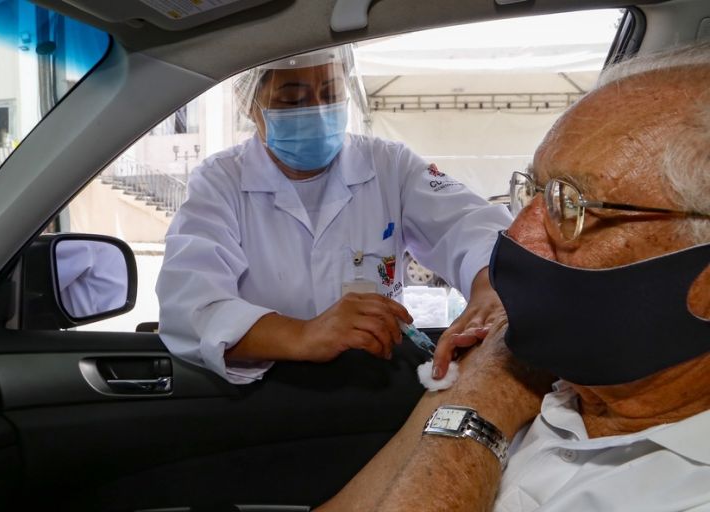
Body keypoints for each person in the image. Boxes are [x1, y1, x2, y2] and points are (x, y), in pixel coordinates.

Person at [318, 41, 710, 511]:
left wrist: (479, 409)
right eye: (533, 190)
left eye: (571, 205)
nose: (518, 236)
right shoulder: (542, 370)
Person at [156, 45, 513, 384]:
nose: (318, 111)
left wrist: (487, 291)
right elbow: (190, 306)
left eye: (330, 94)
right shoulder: (222, 181)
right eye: (292, 100)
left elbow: (471, 225)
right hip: (267, 395)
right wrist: (304, 335)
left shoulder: (389, 165)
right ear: (250, 105)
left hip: (377, 388)